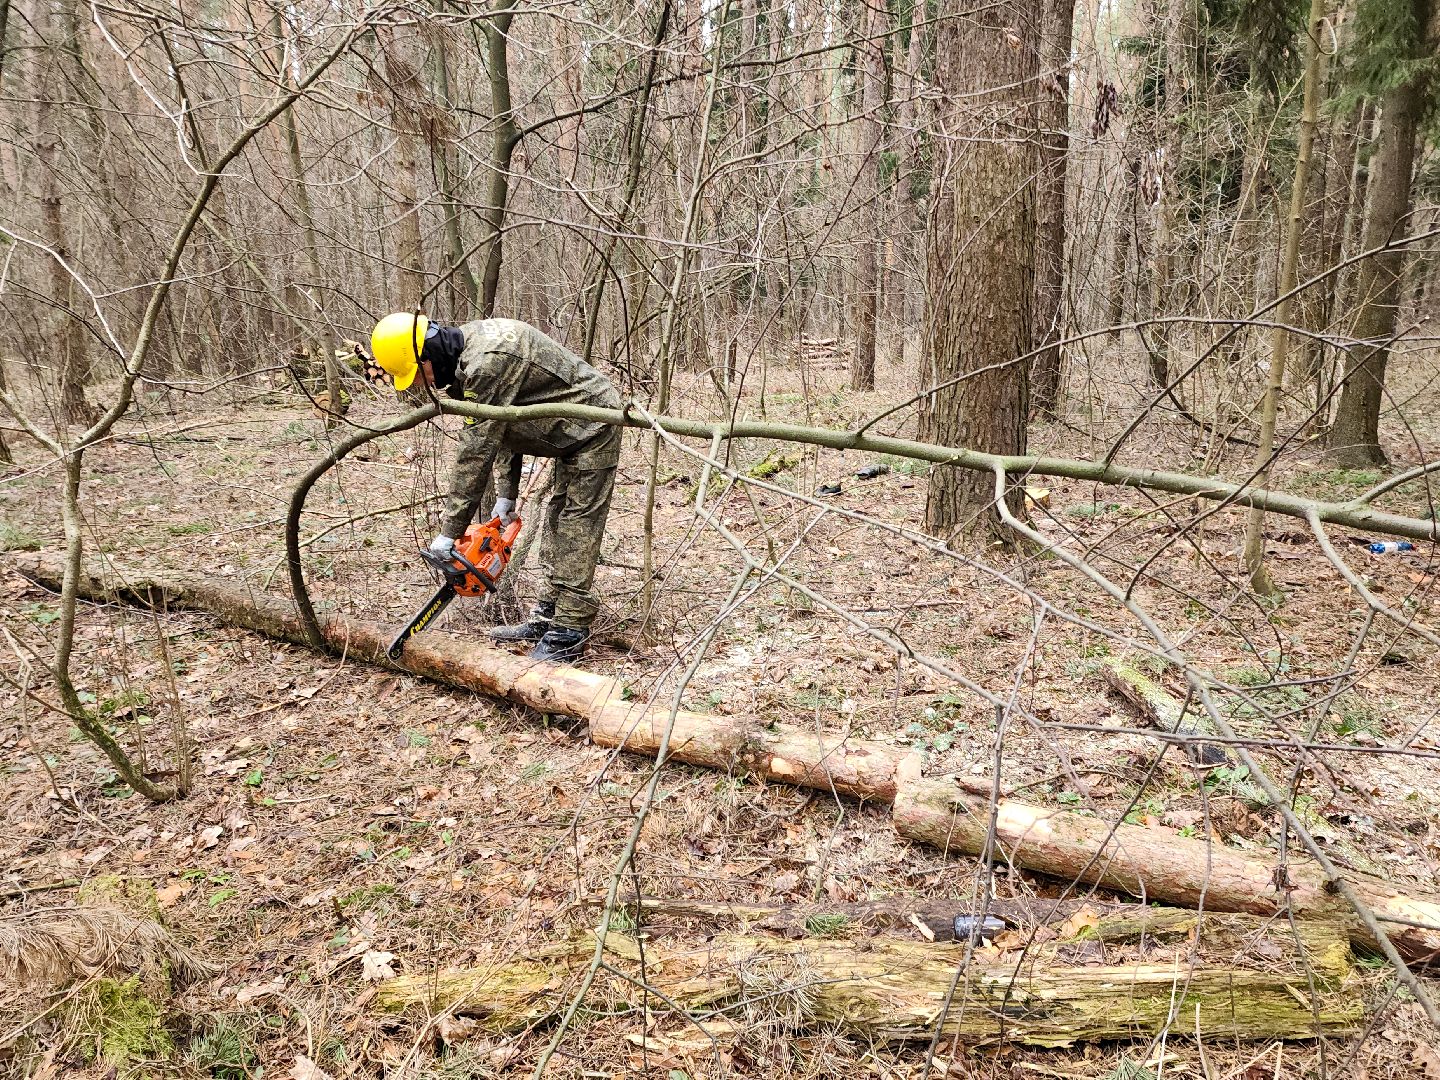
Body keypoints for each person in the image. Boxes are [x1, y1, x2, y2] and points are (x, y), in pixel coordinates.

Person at [369, 312, 621, 662]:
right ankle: (548, 614)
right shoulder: (466, 357)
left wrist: (450, 531)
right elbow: (504, 427)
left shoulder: (488, 361)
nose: (424, 383)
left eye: (418, 374)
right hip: (562, 429)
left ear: (427, 355)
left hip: (594, 425)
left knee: (576, 524)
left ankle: (569, 629)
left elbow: (477, 447)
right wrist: (506, 494)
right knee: (554, 517)